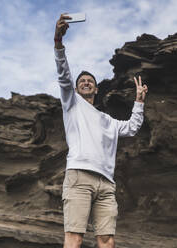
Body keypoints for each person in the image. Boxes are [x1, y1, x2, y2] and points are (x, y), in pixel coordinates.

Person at [54, 14, 148, 248]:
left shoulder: (109, 120)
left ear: (96, 88)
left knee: (107, 240)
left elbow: (132, 127)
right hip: (79, 176)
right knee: (74, 238)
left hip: (106, 184)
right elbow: (64, 76)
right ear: (76, 89)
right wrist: (58, 43)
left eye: (90, 81)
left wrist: (139, 101)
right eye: (82, 81)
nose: (86, 82)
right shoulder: (72, 105)